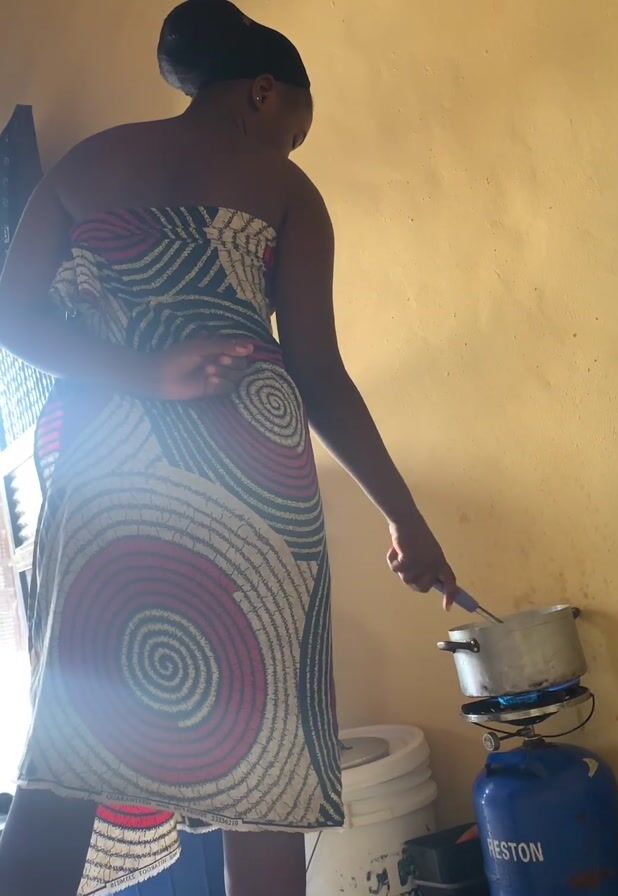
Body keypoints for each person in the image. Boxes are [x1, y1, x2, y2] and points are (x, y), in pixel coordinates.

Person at [0, 2, 457, 894]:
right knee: (266, 766)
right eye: (295, 129)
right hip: (255, 476)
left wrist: (141, 372)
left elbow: (13, 319)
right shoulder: (287, 190)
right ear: (263, 93)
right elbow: (320, 374)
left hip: (104, 473)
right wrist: (406, 521)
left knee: (71, 753)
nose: (290, 147)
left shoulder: (84, 166)